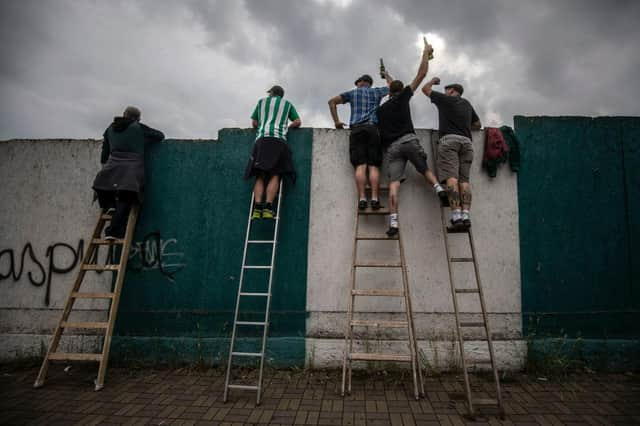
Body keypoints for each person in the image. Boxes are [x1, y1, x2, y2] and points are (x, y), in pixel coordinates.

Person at [377, 44, 447, 237]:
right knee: (424, 169)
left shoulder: (381, 110)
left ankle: (393, 222)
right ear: (401, 91)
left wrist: (386, 75)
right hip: (408, 140)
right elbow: (421, 73)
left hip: (392, 148)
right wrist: (425, 53)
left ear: (389, 92)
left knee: (394, 184)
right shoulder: (403, 98)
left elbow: (392, 88)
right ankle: (438, 188)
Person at [92, 106, 165, 239]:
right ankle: (113, 231)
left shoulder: (110, 128)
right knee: (126, 199)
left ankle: (110, 206)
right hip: (131, 169)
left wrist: (106, 165)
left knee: (103, 188)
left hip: (112, 167)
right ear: (136, 118)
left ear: (124, 114)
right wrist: (142, 141)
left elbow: (105, 153)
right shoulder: (138, 127)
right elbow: (160, 136)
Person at [328, 70, 392, 210]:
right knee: (373, 166)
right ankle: (375, 199)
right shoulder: (376, 92)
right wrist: (386, 75)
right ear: (369, 83)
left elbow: (331, 102)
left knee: (360, 166)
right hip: (373, 129)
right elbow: (394, 86)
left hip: (357, 130)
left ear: (360, 83)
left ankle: (362, 198)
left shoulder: (352, 93)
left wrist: (337, 122)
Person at [422, 79, 481, 229]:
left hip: (449, 141)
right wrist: (463, 125)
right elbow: (478, 124)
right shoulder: (467, 104)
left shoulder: (446, 100)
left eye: (446, 89)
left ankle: (456, 217)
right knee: (464, 181)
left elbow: (425, 89)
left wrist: (433, 81)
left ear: (453, 91)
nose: (444, 92)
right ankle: (466, 216)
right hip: (467, 143)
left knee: (452, 178)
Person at [244, 85, 301, 219]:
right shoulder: (287, 104)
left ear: (271, 93)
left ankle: (257, 208)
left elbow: (254, 122)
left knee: (259, 175)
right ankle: (268, 207)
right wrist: (286, 127)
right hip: (278, 141)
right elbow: (298, 122)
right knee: (276, 174)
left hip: (261, 140)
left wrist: (263, 127)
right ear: (281, 95)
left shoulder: (261, 102)